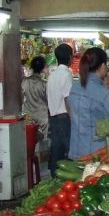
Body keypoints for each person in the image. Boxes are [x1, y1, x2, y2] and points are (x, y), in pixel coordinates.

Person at [68, 47, 109, 159]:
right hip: (97, 154)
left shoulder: (74, 87)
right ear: (102, 66)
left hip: (76, 150)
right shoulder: (104, 94)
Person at [46, 43, 74, 177]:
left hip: (53, 116)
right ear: (70, 57)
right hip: (64, 117)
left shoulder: (52, 75)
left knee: (56, 150)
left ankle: (54, 177)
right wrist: (73, 117)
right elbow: (67, 98)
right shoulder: (66, 74)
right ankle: (64, 179)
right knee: (67, 150)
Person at [21, 55, 49, 142]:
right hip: (42, 117)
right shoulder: (44, 84)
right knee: (42, 144)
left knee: (29, 141)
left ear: (31, 67)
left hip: (28, 116)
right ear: (43, 68)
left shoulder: (24, 81)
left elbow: (21, 97)